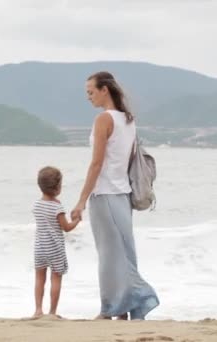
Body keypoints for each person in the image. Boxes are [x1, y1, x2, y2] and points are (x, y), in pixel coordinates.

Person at [70, 71, 159, 320]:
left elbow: (96, 164)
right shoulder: (128, 119)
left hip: (105, 194)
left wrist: (81, 200)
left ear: (104, 90)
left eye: (90, 91)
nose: (88, 97)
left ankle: (114, 308)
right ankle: (122, 310)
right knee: (124, 254)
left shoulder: (104, 119)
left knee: (109, 256)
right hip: (122, 195)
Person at [32, 166, 81, 319]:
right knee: (56, 278)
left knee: (40, 278)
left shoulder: (36, 205)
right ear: (58, 187)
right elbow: (66, 228)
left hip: (40, 247)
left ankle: (38, 310)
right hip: (55, 248)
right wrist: (76, 220)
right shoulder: (57, 207)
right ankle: (52, 312)